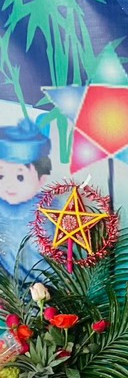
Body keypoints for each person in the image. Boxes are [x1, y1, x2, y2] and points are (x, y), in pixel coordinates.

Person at [0, 118, 51, 282]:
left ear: (41, 179)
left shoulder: (48, 209)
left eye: (20, 177)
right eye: (1, 175)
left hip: (45, 284)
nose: (9, 185)